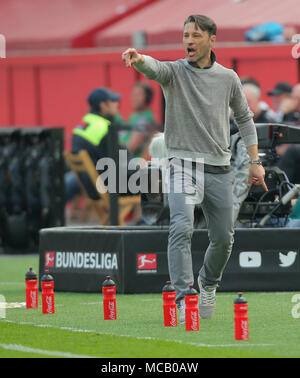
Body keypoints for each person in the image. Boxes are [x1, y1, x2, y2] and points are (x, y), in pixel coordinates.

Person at [122, 14, 267, 322]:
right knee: (182, 226)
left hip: (219, 168)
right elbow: (154, 67)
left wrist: (255, 163)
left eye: (196, 35)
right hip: (181, 165)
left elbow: (244, 118)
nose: (188, 40)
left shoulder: (228, 78)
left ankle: (207, 284)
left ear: (212, 40)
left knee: (224, 238)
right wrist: (138, 59)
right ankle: (184, 294)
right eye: (185, 35)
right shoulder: (174, 72)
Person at [65, 87, 132, 203]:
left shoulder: (82, 125)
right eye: (113, 101)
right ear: (103, 105)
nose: (117, 104)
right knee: (153, 180)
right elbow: (124, 159)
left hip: (88, 186)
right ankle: (154, 219)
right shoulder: (105, 128)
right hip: (105, 188)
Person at [120, 82, 157, 159]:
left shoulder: (144, 118)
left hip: (133, 165)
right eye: (133, 95)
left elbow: (131, 147)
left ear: (147, 97)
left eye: (138, 95)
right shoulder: (135, 116)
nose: (134, 98)